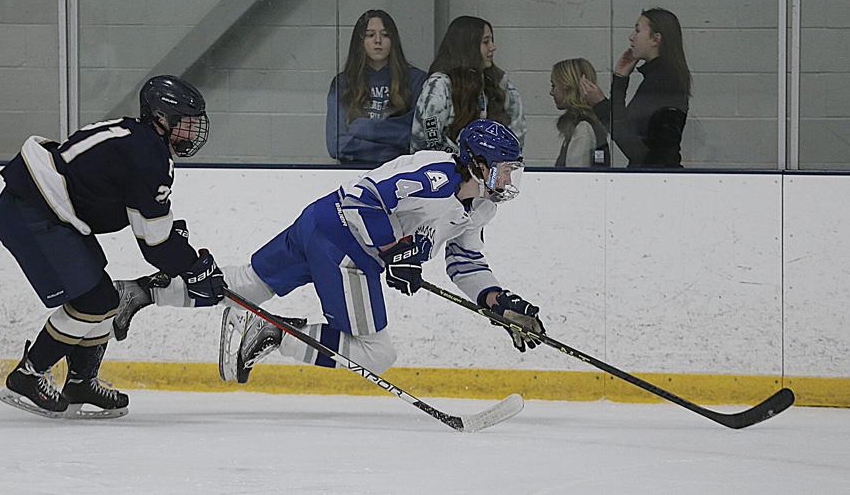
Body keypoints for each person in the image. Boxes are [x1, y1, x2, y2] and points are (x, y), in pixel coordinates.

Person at [113, 119, 546, 385]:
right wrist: (395, 251)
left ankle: (139, 293)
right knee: (378, 353)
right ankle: (274, 333)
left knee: (249, 284)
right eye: (506, 169)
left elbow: (465, 262)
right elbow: (363, 199)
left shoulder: (482, 207)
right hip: (345, 245)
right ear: (478, 164)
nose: (511, 180)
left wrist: (496, 301)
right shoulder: (436, 178)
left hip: (320, 221)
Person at [0, 75, 228, 419]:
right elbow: (156, 245)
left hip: (46, 210)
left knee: (105, 299)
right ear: (162, 119)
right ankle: (28, 375)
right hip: (31, 212)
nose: (192, 134)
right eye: (186, 124)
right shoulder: (148, 156)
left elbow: (147, 222)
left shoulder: (139, 138)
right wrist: (194, 267)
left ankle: (80, 382)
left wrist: (182, 254)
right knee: (91, 300)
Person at [580, 8, 691, 168]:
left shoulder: (663, 83)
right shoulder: (662, 79)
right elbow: (626, 129)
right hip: (656, 177)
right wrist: (620, 79)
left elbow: (633, 145)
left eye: (638, 30)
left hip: (657, 180)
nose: (631, 36)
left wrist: (600, 104)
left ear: (655, 39)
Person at [411, 16, 527, 155]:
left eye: (491, 40)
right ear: (467, 46)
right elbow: (427, 142)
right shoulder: (439, 85)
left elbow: (516, 133)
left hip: (491, 171)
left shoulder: (498, 83)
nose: (493, 47)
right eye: (486, 42)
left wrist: (501, 159)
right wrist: (466, 160)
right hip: (447, 171)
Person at [326, 10, 427, 164]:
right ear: (360, 41)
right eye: (370, 35)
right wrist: (391, 151)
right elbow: (337, 144)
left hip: (400, 172)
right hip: (352, 174)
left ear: (394, 40)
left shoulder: (415, 79)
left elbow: (415, 137)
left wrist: (362, 127)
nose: (378, 41)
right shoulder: (343, 83)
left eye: (385, 35)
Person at [550, 58, 610, 167]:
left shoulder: (583, 128)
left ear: (568, 87)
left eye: (554, 86)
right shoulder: (583, 125)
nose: (551, 92)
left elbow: (575, 178)